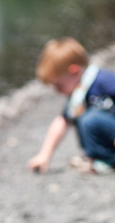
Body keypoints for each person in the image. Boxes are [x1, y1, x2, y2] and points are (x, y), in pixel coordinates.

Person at [27, 37, 115, 174]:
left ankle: (105, 160)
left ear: (74, 71)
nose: (57, 91)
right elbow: (62, 121)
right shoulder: (78, 94)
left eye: (58, 85)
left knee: (90, 119)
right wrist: (44, 154)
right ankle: (96, 158)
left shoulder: (103, 80)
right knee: (82, 117)